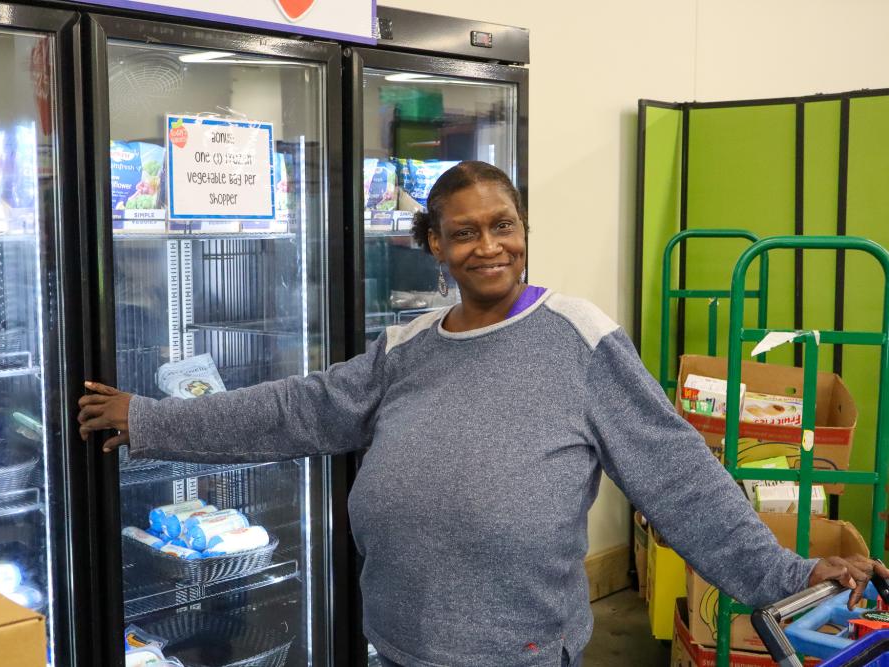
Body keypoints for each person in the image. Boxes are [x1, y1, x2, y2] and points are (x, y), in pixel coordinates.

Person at [79, 161, 888, 667]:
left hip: (523, 653)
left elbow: (680, 475)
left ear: (524, 229)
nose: (487, 246)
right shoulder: (407, 346)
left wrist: (785, 572)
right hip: (399, 647)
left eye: (503, 225)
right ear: (434, 245)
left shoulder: (580, 338)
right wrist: (152, 420)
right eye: (463, 233)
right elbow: (300, 409)